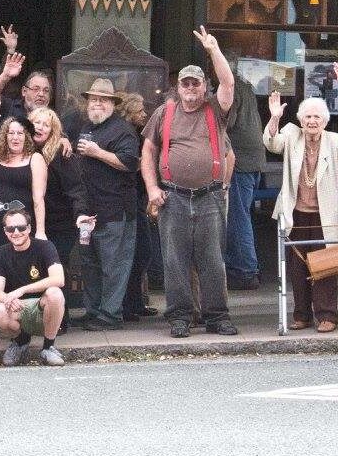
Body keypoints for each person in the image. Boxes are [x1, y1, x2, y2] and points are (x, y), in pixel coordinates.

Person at [141, 27, 238, 339]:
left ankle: (217, 317)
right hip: (173, 197)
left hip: (210, 196)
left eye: (196, 82)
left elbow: (229, 82)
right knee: (175, 261)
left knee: (212, 260)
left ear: (204, 86)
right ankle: (181, 317)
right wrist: (153, 189)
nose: (191, 87)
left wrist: (213, 50)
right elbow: (149, 150)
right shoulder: (164, 112)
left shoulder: (215, 108)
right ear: (178, 87)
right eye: (186, 82)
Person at [266, 90, 338, 333]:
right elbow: (272, 143)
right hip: (295, 212)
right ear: (300, 120)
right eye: (307, 117)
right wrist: (275, 118)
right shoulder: (291, 134)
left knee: (325, 266)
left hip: (326, 214)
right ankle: (302, 315)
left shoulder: (334, 141)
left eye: (317, 117)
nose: (312, 121)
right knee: (298, 266)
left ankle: (327, 315)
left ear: (325, 121)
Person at [75, 78, 140, 331]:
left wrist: (97, 152)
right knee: (90, 265)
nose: (97, 104)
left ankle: (111, 315)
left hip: (115, 211)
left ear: (113, 103)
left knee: (114, 266)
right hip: (88, 212)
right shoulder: (84, 126)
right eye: (93, 99)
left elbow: (129, 163)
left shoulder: (123, 130)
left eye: (102, 100)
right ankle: (94, 311)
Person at [29, 105, 91, 331]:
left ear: (53, 130)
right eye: (36, 122)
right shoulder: (20, 151)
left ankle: (59, 322)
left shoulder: (61, 155)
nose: (40, 127)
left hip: (60, 223)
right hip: (30, 223)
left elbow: (76, 190)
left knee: (55, 269)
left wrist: (81, 214)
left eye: (46, 124)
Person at [0, 105, 48, 290]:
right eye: (11, 133)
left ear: (26, 136)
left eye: (20, 133)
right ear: (5, 135)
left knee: (20, 273)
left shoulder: (35, 158)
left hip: (21, 224)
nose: (15, 137)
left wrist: (40, 231)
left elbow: (38, 198)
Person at [0, 205, 66, 367]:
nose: (16, 232)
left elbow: (59, 279)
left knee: (55, 293)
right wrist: (8, 298)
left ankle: (48, 347)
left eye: (21, 227)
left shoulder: (45, 246)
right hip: (18, 309)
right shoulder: (1, 252)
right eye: (11, 228)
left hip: (44, 307)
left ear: (29, 228)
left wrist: (21, 290)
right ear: (5, 231)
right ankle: (20, 342)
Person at [116, 92, 158, 322]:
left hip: (140, 198)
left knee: (141, 254)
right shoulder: (127, 135)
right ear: (128, 112)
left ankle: (135, 302)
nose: (144, 114)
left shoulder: (136, 134)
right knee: (138, 253)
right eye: (140, 110)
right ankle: (129, 304)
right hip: (131, 199)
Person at [224, 67, 266, 290]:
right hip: (252, 160)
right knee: (242, 214)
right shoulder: (247, 88)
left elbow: (227, 122)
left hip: (240, 161)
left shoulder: (234, 90)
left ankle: (244, 271)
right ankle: (245, 268)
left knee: (238, 217)